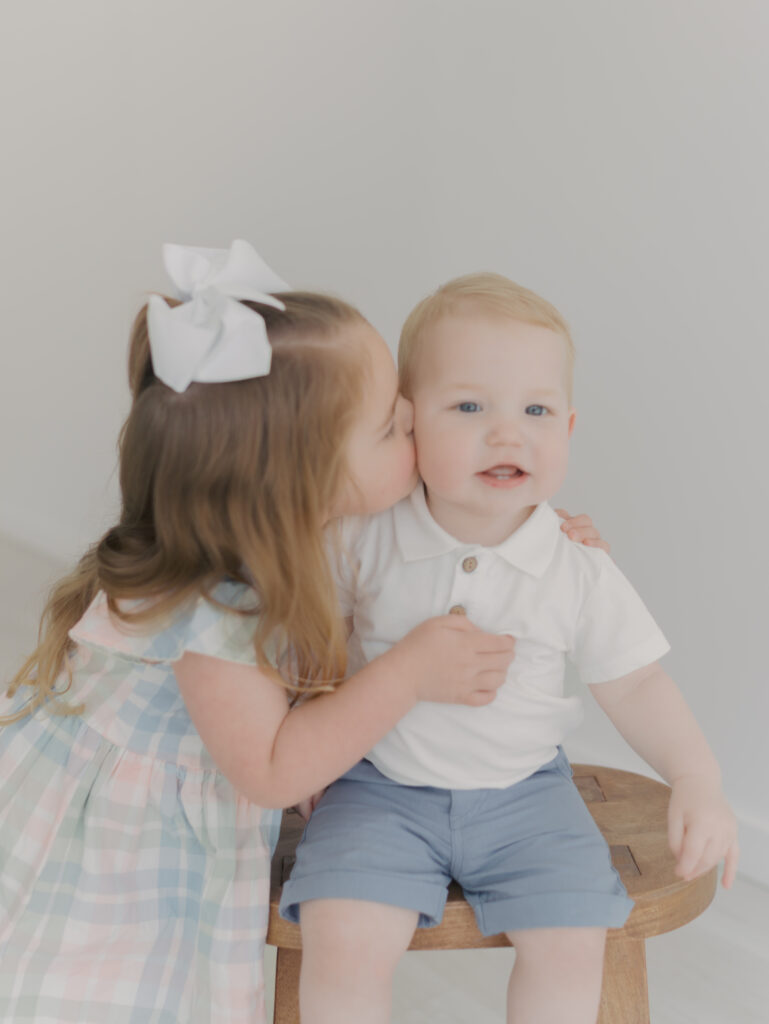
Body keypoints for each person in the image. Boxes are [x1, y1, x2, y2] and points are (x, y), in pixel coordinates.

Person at [0, 243, 529, 1024]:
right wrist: (408, 675)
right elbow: (272, 772)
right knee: (108, 987)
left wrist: (539, 533)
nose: (415, 423)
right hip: (124, 842)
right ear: (302, 482)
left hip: (199, 780)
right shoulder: (216, 612)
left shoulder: (293, 534)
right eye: (390, 426)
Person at [280, 272, 740, 1024]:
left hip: (527, 794)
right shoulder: (365, 537)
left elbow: (634, 683)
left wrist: (696, 776)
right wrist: (308, 734)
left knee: (570, 940)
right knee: (344, 933)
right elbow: (310, 634)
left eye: (535, 409)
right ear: (409, 424)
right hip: (378, 787)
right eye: (468, 407)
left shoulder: (574, 561)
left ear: (566, 428)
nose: (506, 432)